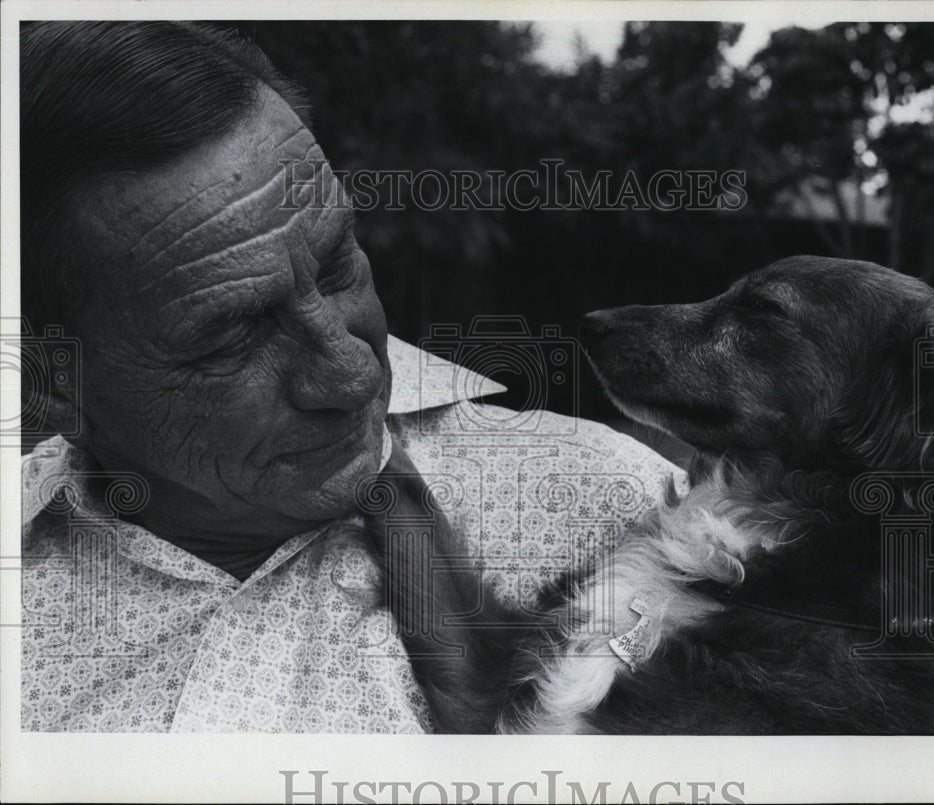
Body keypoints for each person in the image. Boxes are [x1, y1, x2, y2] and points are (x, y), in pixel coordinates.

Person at [19, 21, 682, 732]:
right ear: (49, 382)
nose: (348, 371)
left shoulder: (634, 522)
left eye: (337, 264)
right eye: (232, 334)